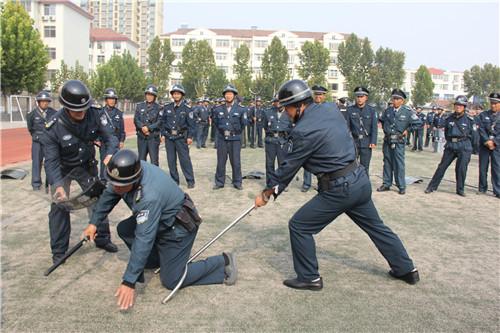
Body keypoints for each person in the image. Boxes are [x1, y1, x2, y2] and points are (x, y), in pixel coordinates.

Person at [254, 80, 419, 290]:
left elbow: (289, 166)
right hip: (359, 180)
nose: (286, 113)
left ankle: (309, 278)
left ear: (299, 105)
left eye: (287, 108)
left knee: (299, 225)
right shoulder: (331, 109)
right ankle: (407, 270)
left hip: (339, 189)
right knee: (377, 228)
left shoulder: (303, 130)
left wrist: (268, 193)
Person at [83, 149, 237, 310]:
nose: (115, 188)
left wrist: (129, 281)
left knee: (172, 280)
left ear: (134, 179)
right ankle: (158, 261)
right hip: (161, 222)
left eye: (120, 185)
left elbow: (144, 238)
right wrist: (94, 223)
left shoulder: (149, 196)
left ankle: (223, 262)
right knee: (125, 229)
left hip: (177, 230)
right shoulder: (127, 171)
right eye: (113, 182)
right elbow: (110, 194)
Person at [41, 80, 119, 263]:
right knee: (59, 206)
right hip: (63, 168)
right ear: (66, 107)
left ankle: (102, 238)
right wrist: (58, 185)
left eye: (85, 108)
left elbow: (111, 138)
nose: (82, 113)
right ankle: (59, 251)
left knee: (98, 199)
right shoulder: (53, 127)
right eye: (77, 110)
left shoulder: (95, 114)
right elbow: (51, 161)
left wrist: (109, 155)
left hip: (86, 165)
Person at [425, 96, 478, 196]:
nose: (458, 107)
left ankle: (460, 189)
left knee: (461, 168)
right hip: (451, 145)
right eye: (457, 105)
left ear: (464, 107)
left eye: (461, 105)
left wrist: (472, 148)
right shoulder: (449, 118)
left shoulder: (469, 120)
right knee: (442, 167)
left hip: (464, 145)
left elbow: (474, 136)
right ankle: (432, 186)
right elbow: (446, 133)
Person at [377, 89, 421, 195]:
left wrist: (407, 130)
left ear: (402, 101)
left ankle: (401, 185)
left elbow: (418, 123)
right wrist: (386, 131)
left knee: (399, 163)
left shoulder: (408, 112)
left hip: (399, 141)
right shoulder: (388, 111)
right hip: (388, 140)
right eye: (394, 99)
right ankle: (386, 183)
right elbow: (382, 121)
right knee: (387, 162)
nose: (395, 101)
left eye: (397, 99)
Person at [212, 84, 248, 190]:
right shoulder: (218, 109)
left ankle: (237, 182)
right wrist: (223, 131)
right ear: (224, 96)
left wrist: (234, 132)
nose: (228, 96)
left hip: (235, 139)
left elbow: (243, 124)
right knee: (221, 161)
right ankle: (219, 182)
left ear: (234, 95)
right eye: (226, 94)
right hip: (222, 138)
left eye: (230, 94)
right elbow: (216, 123)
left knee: (236, 161)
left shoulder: (241, 109)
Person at [162, 84, 196, 188]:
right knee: (171, 161)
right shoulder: (167, 107)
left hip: (181, 138)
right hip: (169, 138)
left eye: (178, 94)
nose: (176, 96)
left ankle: (190, 180)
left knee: (185, 160)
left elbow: (191, 125)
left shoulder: (187, 109)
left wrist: (190, 137)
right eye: (174, 94)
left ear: (182, 95)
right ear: (172, 95)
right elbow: (163, 122)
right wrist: (162, 134)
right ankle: (174, 180)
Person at [26, 90, 57, 191]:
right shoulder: (32, 114)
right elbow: (30, 128)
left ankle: (51, 182)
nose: (44, 103)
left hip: (49, 143)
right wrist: (37, 137)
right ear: (38, 102)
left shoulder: (53, 113)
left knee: (50, 162)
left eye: (46, 101)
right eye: (42, 101)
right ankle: (36, 183)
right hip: (37, 142)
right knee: (36, 162)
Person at [346, 86, 378, 175]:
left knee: (365, 167)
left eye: (362, 96)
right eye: (358, 96)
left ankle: (364, 187)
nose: (359, 99)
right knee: (351, 166)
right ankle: (352, 186)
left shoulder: (371, 110)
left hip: (366, 143)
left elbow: (374, 128)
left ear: (366, 98)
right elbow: (347, 127)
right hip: (354, 142)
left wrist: (373, 141)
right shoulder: (350, 110)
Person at [262, 97, 292, 188]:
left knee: (282, 164)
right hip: (271, 141)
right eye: (276, 101)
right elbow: (265, 126)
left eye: (280, 101)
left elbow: (292, 128)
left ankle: (281, 183)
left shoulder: (289, 113)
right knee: (269, 164)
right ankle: (270, 183)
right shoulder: (268, 112)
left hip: (283, 141)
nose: (278, 103)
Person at [97, 88, 125, 182]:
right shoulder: (100, 112)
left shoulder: (119, 113)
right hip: (104, 142)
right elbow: (95, 127)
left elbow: (122, 130)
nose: (112, 101)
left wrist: (121, 140)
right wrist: (97, 139)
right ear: (106, 100)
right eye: (110, 98)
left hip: (115, 143)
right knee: (104, 162)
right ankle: (103, 181)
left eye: (113, 99)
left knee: (115, 164)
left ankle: (114, 181)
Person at [477, 92, 500, 197]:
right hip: (485, 145)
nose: (493, 105)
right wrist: (487, 141)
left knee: (497, 168)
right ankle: (482, 188)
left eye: (496, 103)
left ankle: (498, 190)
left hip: (497, 146)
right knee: (483, 167)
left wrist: (494, 142)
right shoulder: (483, 115)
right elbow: (480, 129)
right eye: (491, 103)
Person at [134, 84, 163, 165]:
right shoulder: (139, 106)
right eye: (148, 94)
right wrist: (142, 127)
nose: (149, 97)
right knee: (141, 161)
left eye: (151, 95)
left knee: (154, 161)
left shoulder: (159, 108)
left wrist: (149, 128)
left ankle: (155, 177)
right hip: (141, 137)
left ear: (155, 96)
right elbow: (136, 119)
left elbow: (160, 121)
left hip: (153, 138)